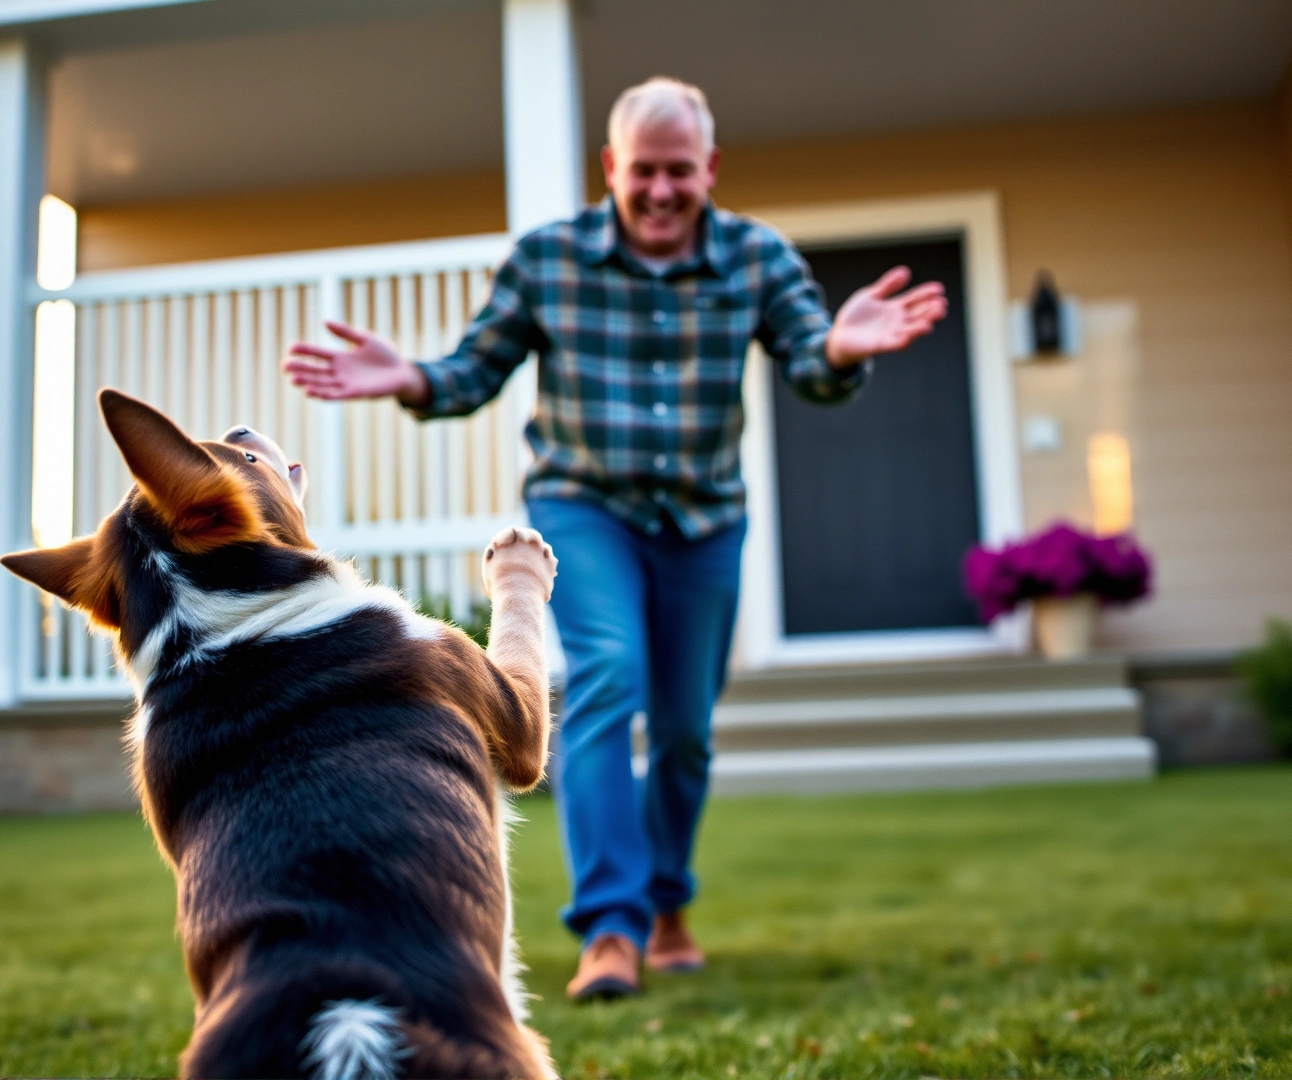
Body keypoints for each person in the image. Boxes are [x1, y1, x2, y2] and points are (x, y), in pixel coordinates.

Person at [284, 76, 948, 1002]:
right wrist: (411, 377)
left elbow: (810, 360)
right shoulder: (550, 260)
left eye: (682, 172)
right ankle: (611, 926)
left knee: (684, 729)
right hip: (584, 508)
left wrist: (840, 348)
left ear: (709, 167)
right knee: (609, 674)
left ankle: (668, 904)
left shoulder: (757, 257)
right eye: (645, 172)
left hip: (705, 519)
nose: (664, 191)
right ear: (611, 168)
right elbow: (473, 372)